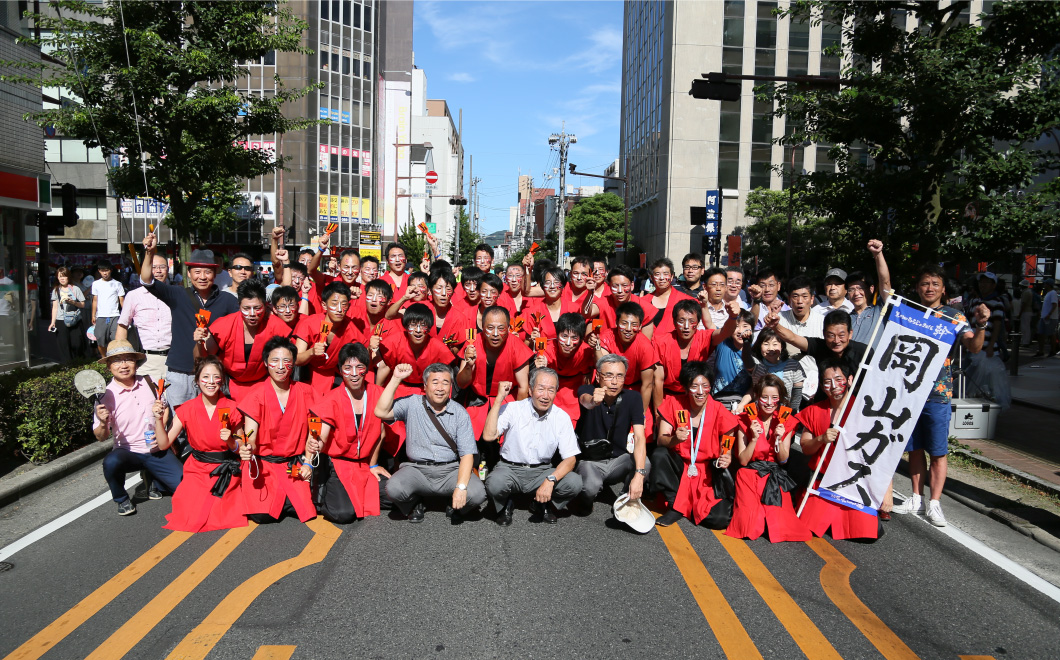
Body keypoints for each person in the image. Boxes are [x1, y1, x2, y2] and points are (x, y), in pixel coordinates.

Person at [892, 265, 990, 526]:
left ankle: (935, 503)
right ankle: (916, 497)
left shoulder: (954, 316)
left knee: (937, 451)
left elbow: (974, 346)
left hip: (938, 392)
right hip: (910, 391)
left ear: (943, 289)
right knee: (913, 448)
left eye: (935, 284)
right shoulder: (910, 314)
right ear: (917, 288)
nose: (930, 288)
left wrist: (981, 325)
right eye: (925, 283)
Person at [375, 362, 486, 523]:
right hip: (417, 469)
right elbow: (380, 411)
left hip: (450, 470)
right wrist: (395, 379)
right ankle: (415, 503)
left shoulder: (459, 412)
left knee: (477, 493)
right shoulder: (412, 403)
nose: (440, 388)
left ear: (451, 387)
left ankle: (455, 505)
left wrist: (461, 488)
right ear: (425, 386)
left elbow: (467, 454)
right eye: (435, 382)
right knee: (393, 488)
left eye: (445, 383)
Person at [139, 233, 239, 411]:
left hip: (212, 374)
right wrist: (149, 253)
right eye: (197, 271)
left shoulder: (228, 301)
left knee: (211, 423)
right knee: (179, 422)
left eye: (207, 271)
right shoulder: (178, 295)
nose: (202, 276)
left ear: (215, 273)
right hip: (179, 371)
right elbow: (147, 280)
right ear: (189, 273)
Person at [92, 340, 183, 516]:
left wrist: (162, 426)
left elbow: (163, 408)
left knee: (183, 487)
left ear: (136, 362)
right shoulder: (105, 395)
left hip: (156, 449)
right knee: (111, 462)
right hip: (128, 451)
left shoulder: (150, 382)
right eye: (117, 361)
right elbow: (100, 436)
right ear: (109, 366)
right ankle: (121, 498)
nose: (124, 365)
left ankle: (152, 476)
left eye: (128, 359)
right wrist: (103, 422)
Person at [482, 370, 583, 525]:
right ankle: (505, 504)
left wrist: (550, 480)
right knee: (494, 484)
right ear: (530, 390)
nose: (545, 395)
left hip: (542, 471)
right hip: (510, 469)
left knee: (574, 483)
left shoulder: (561, 417)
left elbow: (570, 459)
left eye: (551, 390)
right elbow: (488, 436)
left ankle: (541, 503)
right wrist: (498, 400)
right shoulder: (512, 408)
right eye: (541, 389)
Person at [159, 355, 247, 532]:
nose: (211, 382)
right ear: (197, 381)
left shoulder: (232, 407)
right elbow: (164, 444)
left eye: (216, 377)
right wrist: (158, 420)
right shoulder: (186, 409)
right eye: (205, 377)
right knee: (191, 517)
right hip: (197, 470)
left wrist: (230, 441)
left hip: (226, 469)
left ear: (222, 380)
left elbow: (241, 448)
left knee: (223, 516)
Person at [795, 360, 879, 540]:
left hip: (854, 484)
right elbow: (806, 448)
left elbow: (881, 454)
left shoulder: (866, 410)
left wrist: (885, 492)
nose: (833, 386)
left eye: (838, 379)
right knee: (804, 527)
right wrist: (820, 439)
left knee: (868, 535)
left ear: (850, 380)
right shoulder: (814, 410)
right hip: (822, 483)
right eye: (827, 382)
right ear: (822, 386)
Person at [238, 337, 319, 524]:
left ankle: (287, 499)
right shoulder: (256, 395)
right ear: (266, 362)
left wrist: (308, 462)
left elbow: (313, 433)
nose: (281, 366)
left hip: (294, 465)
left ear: (293, 364)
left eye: (286, 361)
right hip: (264, 466)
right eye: (275, 361)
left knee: (305, 511)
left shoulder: (307, 392)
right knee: (262, 516)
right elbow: (250, 436)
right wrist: (246, 447)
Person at [309, 343, 390, 523]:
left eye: (359, 367)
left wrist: (374, 464)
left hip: (366, 464)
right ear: (340, 370)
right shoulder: (331, 398)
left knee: (399, 495)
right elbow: (322, 436)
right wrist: (316, 445)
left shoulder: (378, 393)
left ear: (366, 369)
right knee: (344, 514)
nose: (354, 373)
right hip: (340, 465)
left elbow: (382, 434)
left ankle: (358, 496)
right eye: (348, 368)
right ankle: (326, 497)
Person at [653, 361, 739, 527]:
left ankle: (689, 506)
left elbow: (728, 437)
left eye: (705, 386)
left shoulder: (719, 409)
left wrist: (726, 455)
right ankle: (675, 506)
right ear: (686, 388)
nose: (700, 392)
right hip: (680, 465)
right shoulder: (674, 403)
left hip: (706, 472)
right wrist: (674, 439)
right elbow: (661, 440)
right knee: (660, 454)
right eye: (694, 386)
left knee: (720, 519)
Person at [725, 374, 810, 542]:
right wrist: (754, 439)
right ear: (757, 397)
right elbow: (742, 460)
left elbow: (784, 460)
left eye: (774, 398)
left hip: (774, 475)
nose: (769, 402)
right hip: (749, 474)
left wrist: (779, 439)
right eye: (764, 397)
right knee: (749, 525)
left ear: (780, 399)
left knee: (781, 526)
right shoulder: (744, 419)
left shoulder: (787, 420)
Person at [572, 355, 649, 514]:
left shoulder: (633, 398)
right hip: (590, 462)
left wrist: (639, 476)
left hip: (617, 461)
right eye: (609, 375)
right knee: (591, 487)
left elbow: (640, 437)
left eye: (619, 376)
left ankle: (624, 499)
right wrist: (594, 401)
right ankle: (586, 500)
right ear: (598, 376)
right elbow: (585, 400)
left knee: (645, 463)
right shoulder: (587, 389)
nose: (614, 382)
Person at [202, 280, 291, 400]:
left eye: (257, 308)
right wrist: (199, 342)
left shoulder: (275, 325)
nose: (252, 313)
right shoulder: (225, 324)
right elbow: (207, 356)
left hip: (264, 386)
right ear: (239, 306)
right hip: (228, 386)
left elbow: (292, 356)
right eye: (246, 308)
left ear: (265, 305)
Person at [456, 306, 533, 441]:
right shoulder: (472, 344)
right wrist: (469, 364)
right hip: (477, 401)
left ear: (508, 328)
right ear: (482, 327)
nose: (496, 333)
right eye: (490, 328)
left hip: (507, 401)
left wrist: (517, 418)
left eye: (501, 328)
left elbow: (523, 388)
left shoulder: (516, 346)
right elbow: (462, 384)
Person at [653, 299, 737, 407]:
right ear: (674, 322)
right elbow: (657, 381)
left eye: (692, 321)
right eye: (681, 321)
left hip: (697, 398)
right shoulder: (660, 342)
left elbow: (724, 332)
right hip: (667, 398)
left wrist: (733, 317)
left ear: (698, 323)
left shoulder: (704, 338)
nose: (686, 326)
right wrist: (658, 412)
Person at [376, 303, 459, 397]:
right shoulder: (394, 341)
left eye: (423, 325)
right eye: (413, 325)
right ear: (406, 326)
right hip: (399, 388)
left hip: (427, 392)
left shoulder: (439, 348)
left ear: (430, 327)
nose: (418, 330)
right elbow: (382, 365)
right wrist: (377, 392)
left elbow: (445, 376)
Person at [294, 282, 363, 393]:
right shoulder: (309, 323)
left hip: (335, 374)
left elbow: (362, 355)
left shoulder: (350, 328)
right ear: (324, 305)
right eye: (334, 304)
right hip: (307, 372)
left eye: (344, 304)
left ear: (349, 306)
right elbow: (296, 359)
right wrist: (312, 352)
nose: (340, 309)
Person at [594, 302, 659, 417]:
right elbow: (603, 366)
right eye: (624, 323)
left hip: (635, 390)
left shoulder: (645, 347)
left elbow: (647, 384)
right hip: (610, 388)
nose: (629, 329)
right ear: (616, 323)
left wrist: (641, 414)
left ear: (639, 327)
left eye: (634, 324)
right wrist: (596, 347)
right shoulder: (606, 337)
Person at [531, 312, 597, 424]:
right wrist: (541, 365)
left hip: (574, 391)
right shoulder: (548, 348)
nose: (568, 343)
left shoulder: (586, 352)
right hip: (552, 388)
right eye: (564, 336)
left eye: (574, 338)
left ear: (581, 340)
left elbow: (587, 379)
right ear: (557, 336)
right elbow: (540, 366)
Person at [116, 254, 172, 381]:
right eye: (153, 267)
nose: (158, 271)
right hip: (145, 361)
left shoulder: (175, 294)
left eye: (162, 267)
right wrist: (122, 359)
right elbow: (123, 326)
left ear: (167, 270)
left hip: (173, 360)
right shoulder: (133, 296)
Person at [766, 309, 867, 378]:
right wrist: (775, 326)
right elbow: (793, 338)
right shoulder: (819, 346)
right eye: (831, 335)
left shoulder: (864, 352)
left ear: (850, 334)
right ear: (824, 334)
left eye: (841, 335)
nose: (836, 341)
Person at [739, 327, 806, 413]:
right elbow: (747, 361)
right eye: (766, 344)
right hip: (761, 413)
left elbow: (796, 394)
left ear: (782, 346)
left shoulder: (793, 365)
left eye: (775, 344)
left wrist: (791, 415)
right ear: (760, 346)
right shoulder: (757, 365)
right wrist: (746, 342)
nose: (771, 348)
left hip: (784, 414)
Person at [847, 239, 891, 345]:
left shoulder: (880, 311)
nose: (856, 293)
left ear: (871, 289)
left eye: (860, 288)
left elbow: (885, 282)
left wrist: (878, 254)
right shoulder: (846, 319)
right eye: (851, 289)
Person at [640, 258, 695, 339]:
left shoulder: (687, 301)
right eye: (657, 274)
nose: (661, 278)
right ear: (651, 277)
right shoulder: (642, 302)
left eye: (666, 274)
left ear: (672, 276)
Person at [48, 266, 87, 363]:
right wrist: (53, 322)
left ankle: (78, 363)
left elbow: (82, 304)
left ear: (68, 277)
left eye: (64, 276)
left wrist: (73, 302)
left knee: (77, 344)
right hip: (61, 320)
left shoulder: (75, 289)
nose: (62, 278)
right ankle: (67, 366)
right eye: (60, 276)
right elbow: (55, 307)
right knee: (64, 345)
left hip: (75, 320)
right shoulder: (56, 290)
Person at [91, 259, 125, 358]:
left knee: (116, 339)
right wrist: (93, 315)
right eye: (102, 270)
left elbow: (122, 301)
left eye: (106, 270)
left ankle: (115, 358)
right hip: (101, 316)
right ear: (99, 271)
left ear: (111, 270)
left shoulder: (117, 284)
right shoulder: (96, 284)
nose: (105, 273)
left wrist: (126, 315)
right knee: (100, 338)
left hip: (115, 315)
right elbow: (95, 300)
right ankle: (104, 357)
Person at [1036, 278, 1058, 357]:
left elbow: (1054, 304)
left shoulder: (1053, 293)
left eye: (1045, 284)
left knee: (1051, 334)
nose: (1044, 285)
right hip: (1045, 316)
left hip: (1050, 317)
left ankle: (1052, 351)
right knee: (1041, 333)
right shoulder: (1048, 293)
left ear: (1048, 285)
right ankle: (1041, 351)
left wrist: (1049, 314)